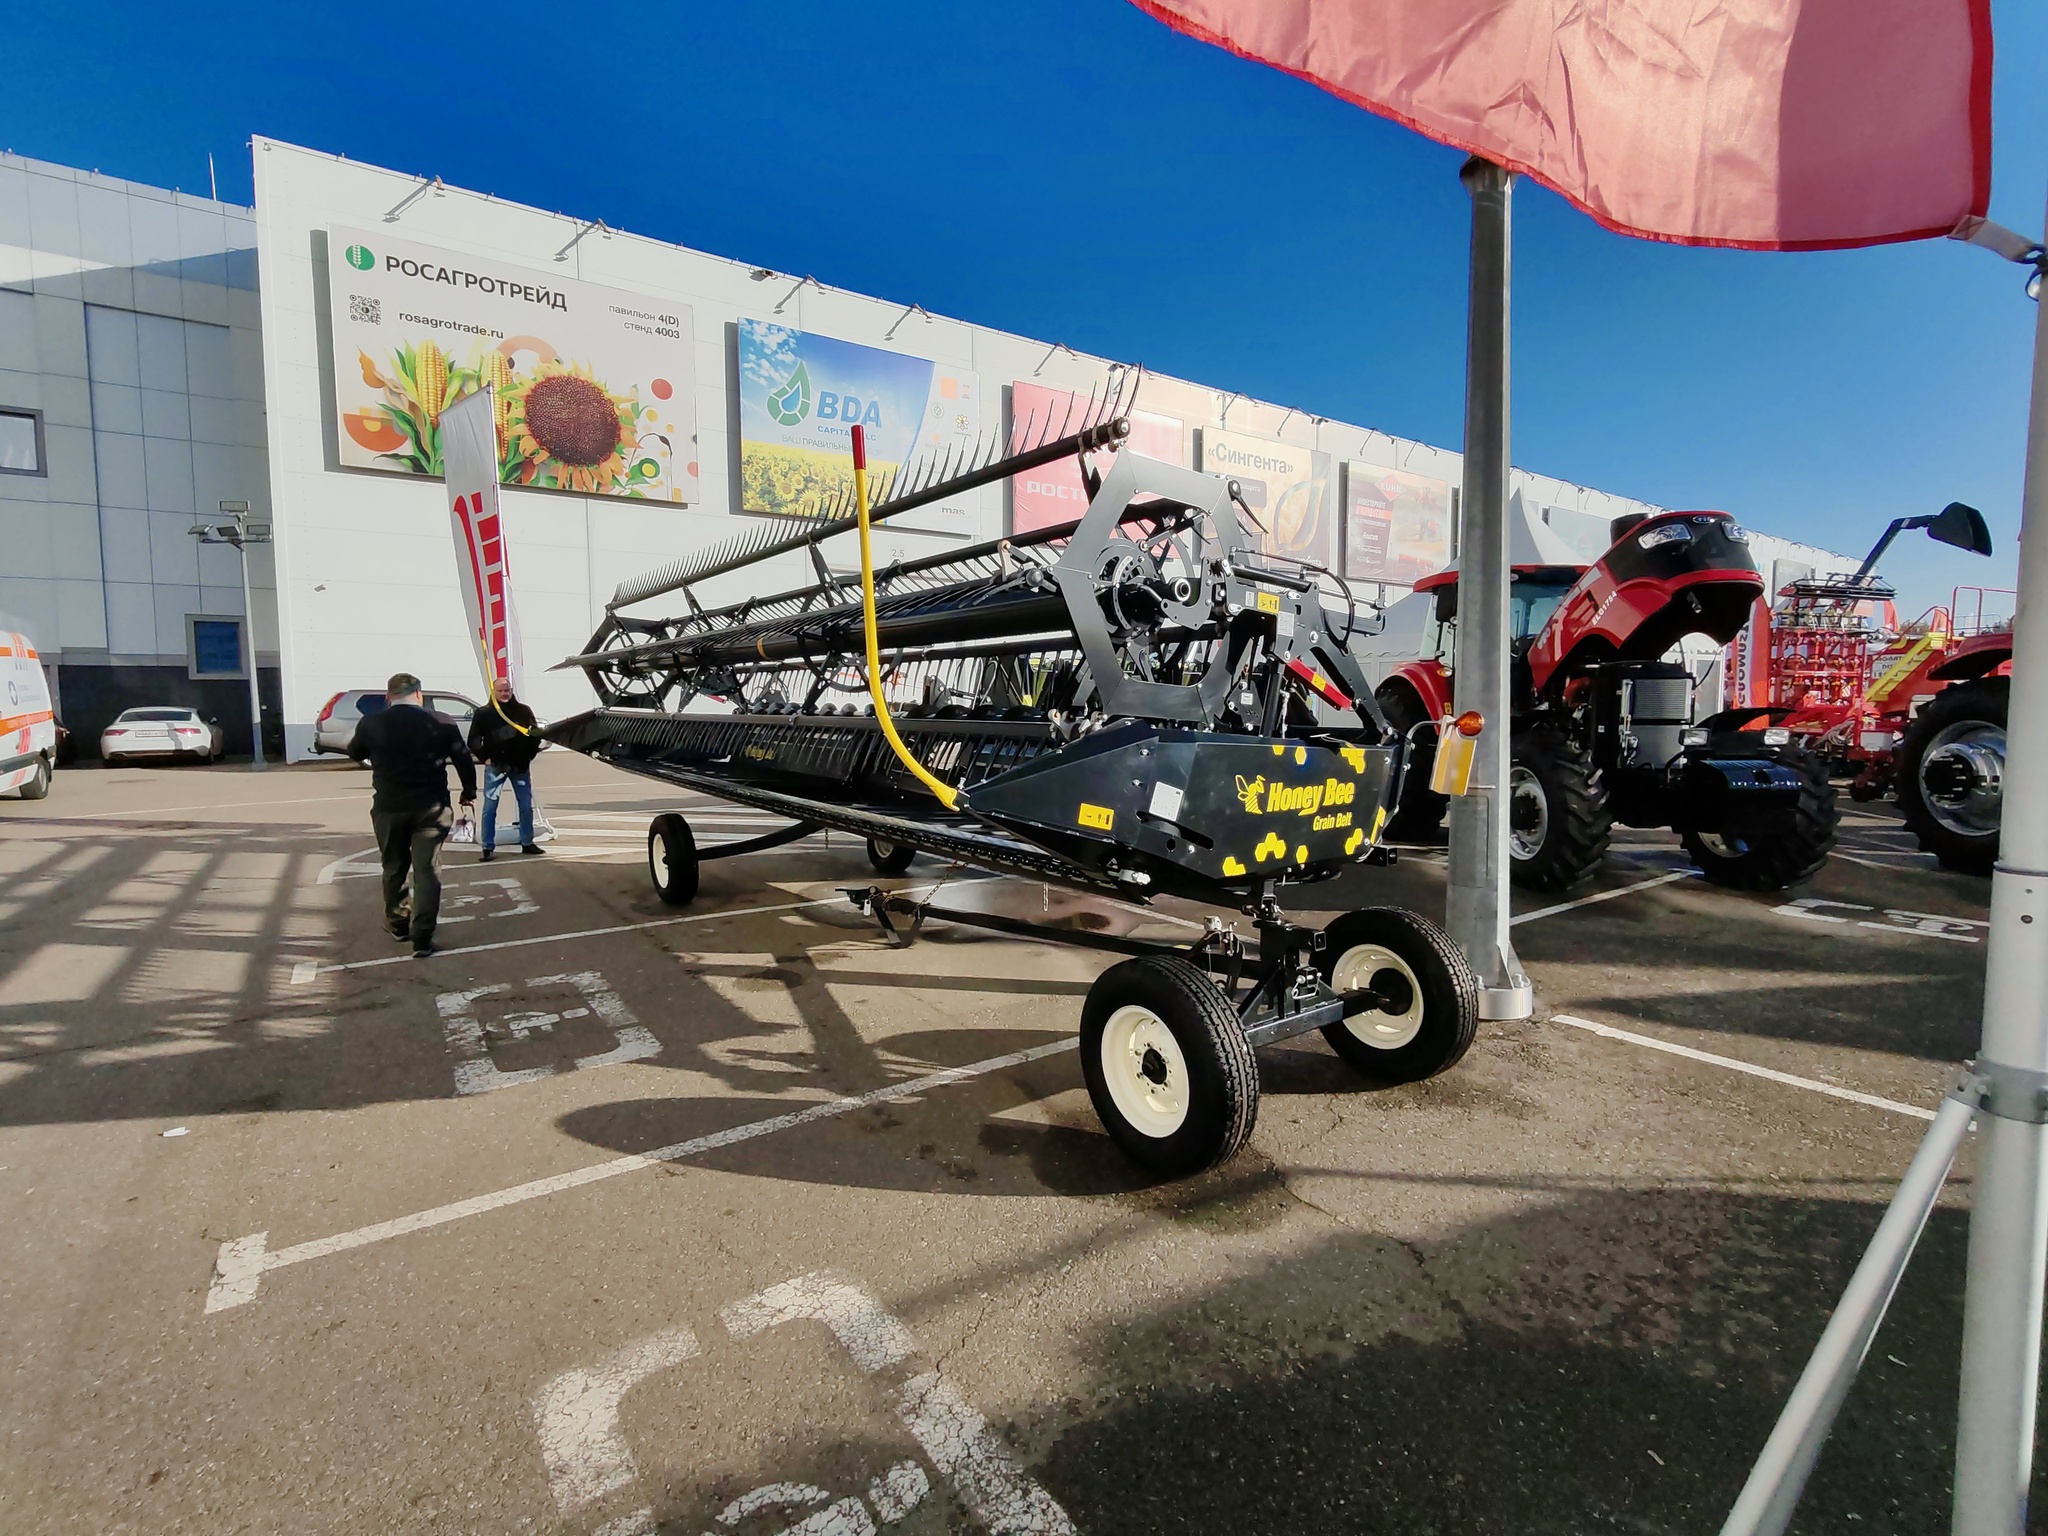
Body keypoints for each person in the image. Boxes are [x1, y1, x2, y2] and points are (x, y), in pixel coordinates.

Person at [347, 672, 476, 958]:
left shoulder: (371, 723)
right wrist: (469, 790)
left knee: (394, 867)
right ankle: (423, 937)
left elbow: (354, 752)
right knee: (427, 871)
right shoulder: (441, 721)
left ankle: (397, 923)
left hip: (389, 808)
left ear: (387, 696)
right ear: (419, 694)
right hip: (431, 808)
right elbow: (463, 759)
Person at [467, 676, 544, 861]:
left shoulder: (523, 711)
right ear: (494, 692)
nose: (504, 693)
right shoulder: (484, 713)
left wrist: (529, 755)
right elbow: (474, 740)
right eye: (500, 690)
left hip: (520, 766)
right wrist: (485, 758)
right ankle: (487, 847)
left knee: (525, 806)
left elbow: (535, 735)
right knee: (490, 807)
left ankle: (527, 842)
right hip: (495, 767)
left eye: (507, 690)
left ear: (511, 690)